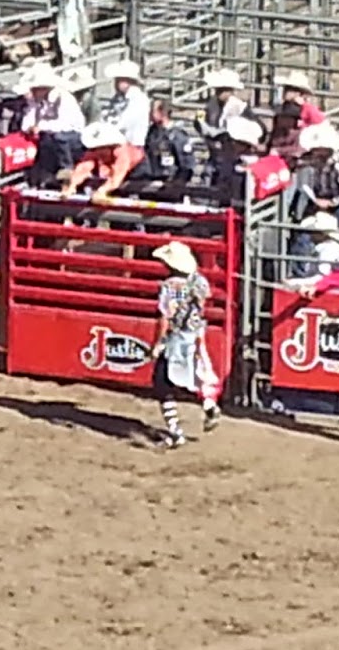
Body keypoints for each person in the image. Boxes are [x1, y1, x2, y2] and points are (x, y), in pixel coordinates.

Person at [149, 240, 223, 449]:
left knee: (163, 384)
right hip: (195, 333)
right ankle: (208, 404)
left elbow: (166, 315)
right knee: (193, 375)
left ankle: (175, 431)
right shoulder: (199, 280)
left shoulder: (171, 286)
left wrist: (158, 342)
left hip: (176, 337)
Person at [292, 121, 339, 249]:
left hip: (337, 200)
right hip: (316, 198)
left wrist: (332, 202)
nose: (314, 151)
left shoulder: (338, 161)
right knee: (304, 227)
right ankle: (298, 260)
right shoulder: (310, 158)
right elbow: (298, 164)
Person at [18, 61, 85, 184]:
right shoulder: (36, 101)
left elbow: (65, 124)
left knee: (58, 137)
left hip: (73, 134)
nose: (32, 91)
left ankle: (66, 167)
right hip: (50, 134)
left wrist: (41, 126)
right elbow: (28, 118)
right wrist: (30, 127)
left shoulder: (64, 98)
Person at [129, 98, 197, 200]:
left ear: (162, 113)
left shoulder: (177, 135)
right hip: (150, 182)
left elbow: (186, 165)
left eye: (152, 111)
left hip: (169, 184)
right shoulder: (151, 133)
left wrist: (177, 184)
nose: (150, 114)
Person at [61, 122, 144, 204]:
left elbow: (117, 177)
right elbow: (84, 167)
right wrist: (72, 186)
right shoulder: (96, 151)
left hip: (137, 175)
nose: (95, 152)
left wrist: (101, 191)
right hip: (113, 175)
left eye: (98, 148)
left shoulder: (122, 152)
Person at [99, 59, 150, 147]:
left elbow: (123, 122)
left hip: (132, 146)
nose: (115, 83)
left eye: (119, 80)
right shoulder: (119, 98)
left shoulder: (138, 99)